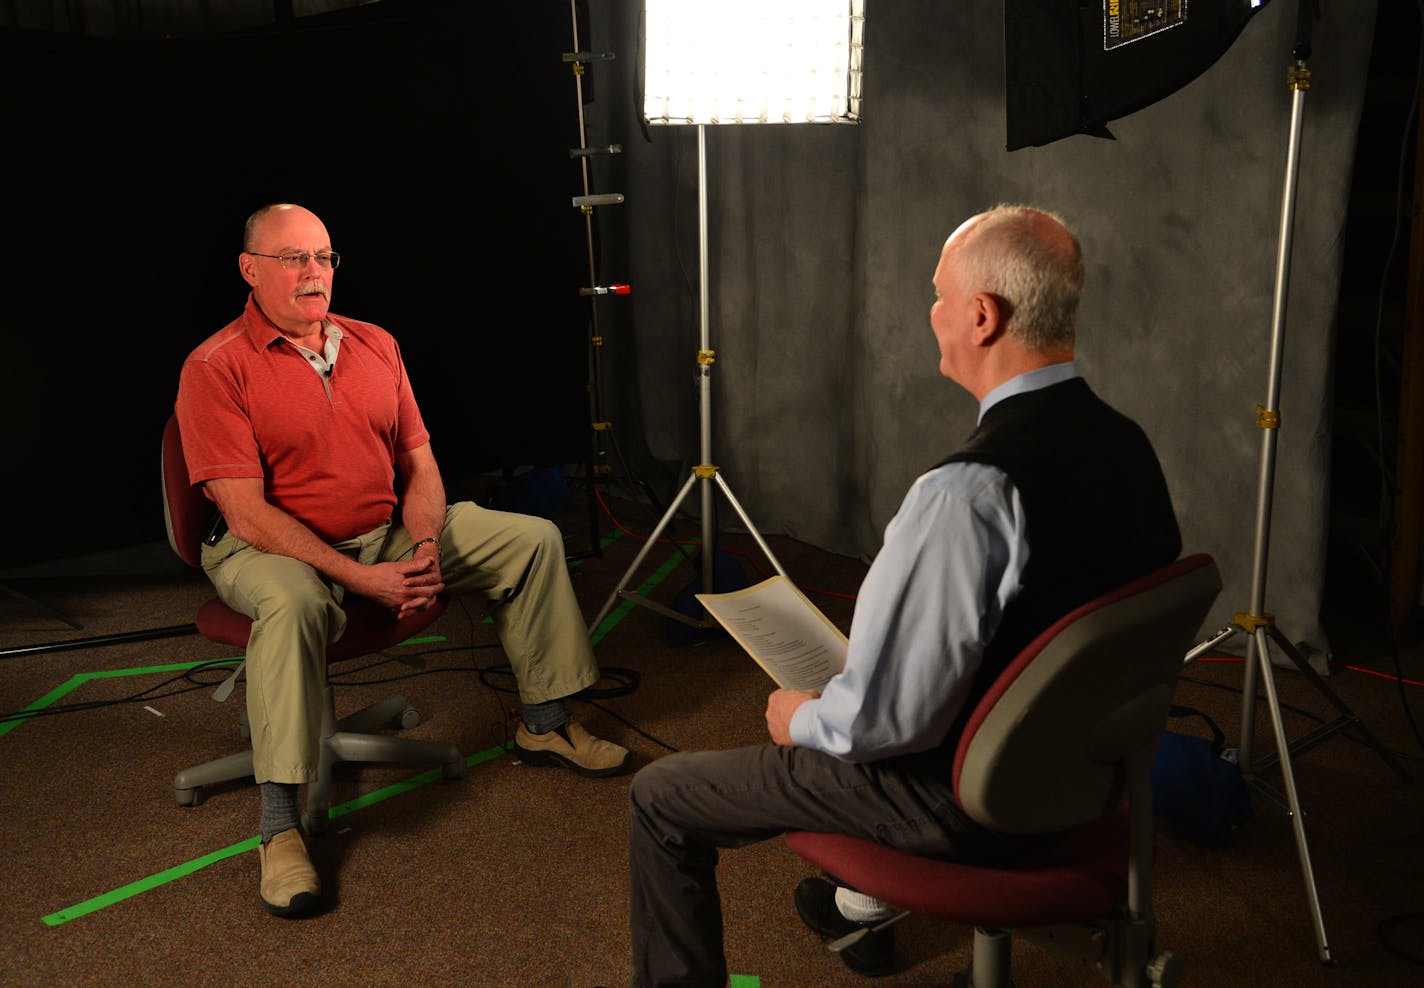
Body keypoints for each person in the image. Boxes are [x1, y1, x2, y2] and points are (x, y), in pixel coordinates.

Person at [626, 204, 1183, 984]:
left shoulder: (965, 496)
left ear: (982, 317)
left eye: (939, 295)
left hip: (962, 802)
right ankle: (857, 905)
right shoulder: (1128, 445)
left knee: (661, 795)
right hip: (1084, 777)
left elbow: (883, 725)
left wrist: (802, 720)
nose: (932, 312)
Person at [174, 202, 630, 919]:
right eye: (293, 259)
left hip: (382, 532)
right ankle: (279, 826)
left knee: (529, 540)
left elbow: (420, 467)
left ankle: (543, 723)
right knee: (293, 605)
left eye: (323, 258)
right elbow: (247, 512)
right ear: (250, 269)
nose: (313, 273)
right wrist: (364, 580)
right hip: (266, 544)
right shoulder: (215, 366)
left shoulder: (375, 344)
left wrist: (421, 554)